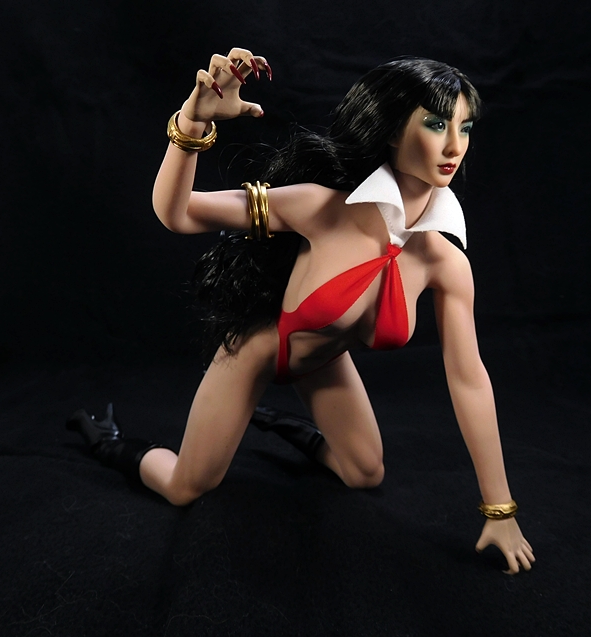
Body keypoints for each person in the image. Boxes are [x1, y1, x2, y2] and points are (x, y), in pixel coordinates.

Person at [67, 47, 535, 574]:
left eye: (464, 127)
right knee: (185, 487)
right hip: (257, 353)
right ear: (389, 129)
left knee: (366, 473)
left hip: (322, 363)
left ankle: (281, 425)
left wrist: (500, 509)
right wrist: (192, 123)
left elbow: (469, 379)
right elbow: (177, 214)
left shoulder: (445, 263)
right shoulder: (322, 207)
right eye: (435, 123)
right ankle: (107, 440)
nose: (454, 146)